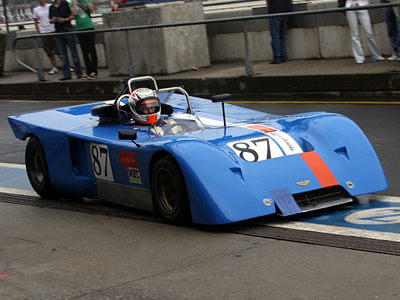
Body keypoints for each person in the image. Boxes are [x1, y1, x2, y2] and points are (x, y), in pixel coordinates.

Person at [49, 0, 83, 80]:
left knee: (74, 53)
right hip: (58, 31)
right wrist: (53, 20)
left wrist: (65, 19)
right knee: (63, 55)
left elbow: (72, 16)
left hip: (67, 29)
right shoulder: (51, 7)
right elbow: (50, 20)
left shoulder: (65, 4)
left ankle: (78, 73)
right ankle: (66, 74)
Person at [71, 0, 98, 79]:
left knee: (92, 50)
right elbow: (74, 13)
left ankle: (94, 70)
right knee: (84, 51)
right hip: (80, 28)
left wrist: (86, 1)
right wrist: (75, 2)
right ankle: (89, 71)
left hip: (89, 27)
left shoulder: (87, 1)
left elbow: (92, 9)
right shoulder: (71, 3)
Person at [32, 0, 60, 75]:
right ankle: (54, 67)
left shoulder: (50, 6)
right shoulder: (36, 9)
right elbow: (35, 21)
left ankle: (66, 65)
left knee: (59, 49)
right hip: (44, 32)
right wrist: (39, 31)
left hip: (53, 30)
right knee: (48, 50)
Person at [267, 0, 292, 64]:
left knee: (275, 36)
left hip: (275, 12)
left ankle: (277, 57)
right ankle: (284, 57)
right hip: (286, 12)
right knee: (282, 36)